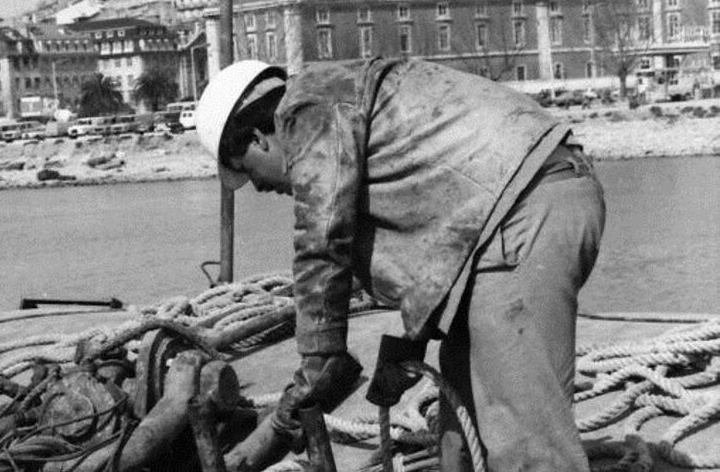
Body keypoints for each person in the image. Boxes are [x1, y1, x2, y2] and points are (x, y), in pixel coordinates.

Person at [195, 56, 606, 471]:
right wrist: (412, 342)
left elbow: (322, 239)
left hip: (523, 214)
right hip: (511, 217)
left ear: (256, 139)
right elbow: (437, 228)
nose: (262, 187)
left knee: (525, 443)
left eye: (249, 173)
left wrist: (319, 362)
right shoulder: (342, 100)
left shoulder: (310, 110)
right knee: (460, 432)